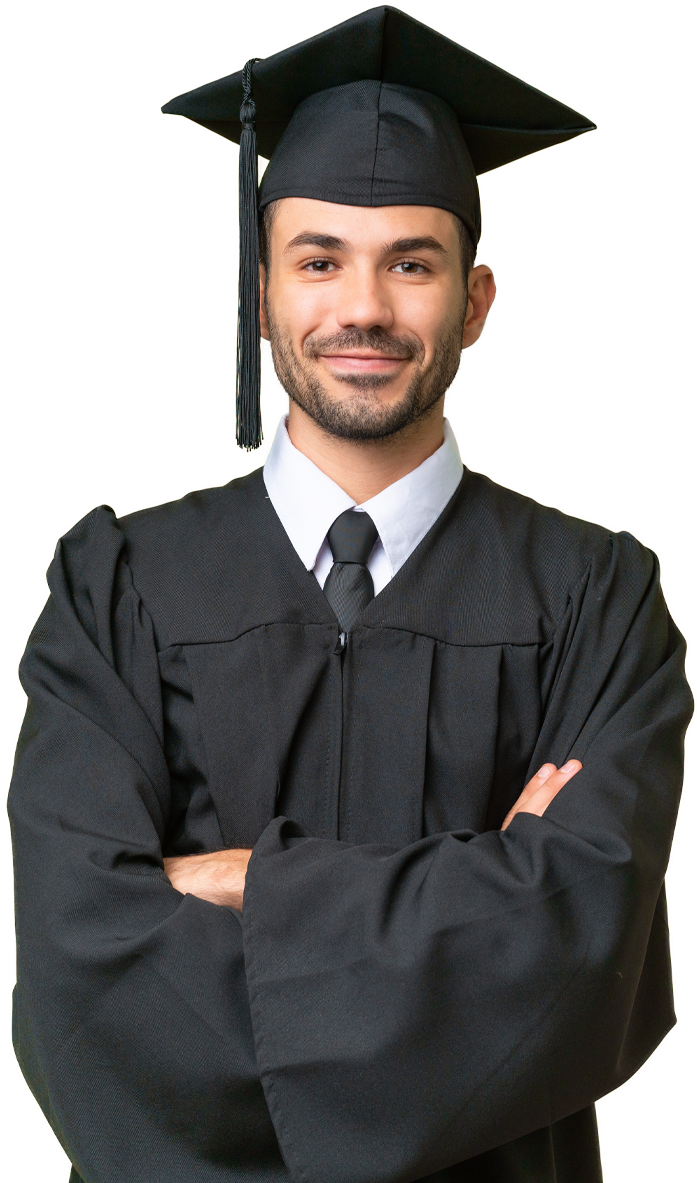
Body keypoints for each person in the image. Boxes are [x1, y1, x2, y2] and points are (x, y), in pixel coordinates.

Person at [8, 7, 692, 1183]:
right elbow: (89, 973)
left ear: (475, 301)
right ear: (261, 291)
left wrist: (250, 883)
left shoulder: (597, 596)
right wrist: (480, 896)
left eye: (410, 264)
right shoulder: (115, 584)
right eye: (319, 260)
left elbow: (579, 953)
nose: (363, 308)